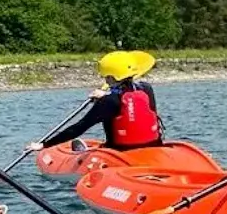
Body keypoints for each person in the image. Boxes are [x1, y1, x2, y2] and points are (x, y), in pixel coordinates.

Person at [26, 50, 164, 154]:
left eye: (106, 77)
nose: (105, 80)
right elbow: (131, 102)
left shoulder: (109, 101)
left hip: (121, 151)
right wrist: (106, 95)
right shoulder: (146, 89)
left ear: (110, 76)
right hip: (153, 145)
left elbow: (79, 128)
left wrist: (44, 145)